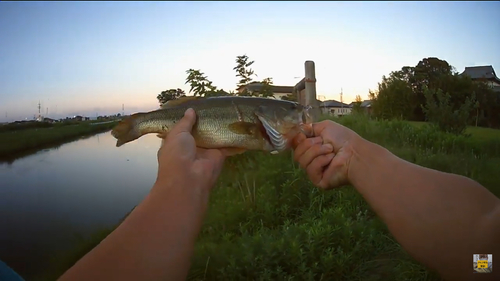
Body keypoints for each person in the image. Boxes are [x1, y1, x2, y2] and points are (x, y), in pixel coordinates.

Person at [57, 108, 499, 281]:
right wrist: (357, 155)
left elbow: (482, 251)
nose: (300, 118)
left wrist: (180, 184)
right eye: (291, 115)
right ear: (264, 118)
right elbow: (482, 249)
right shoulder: (488, 262)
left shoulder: (487, 263)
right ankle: (135, 125)